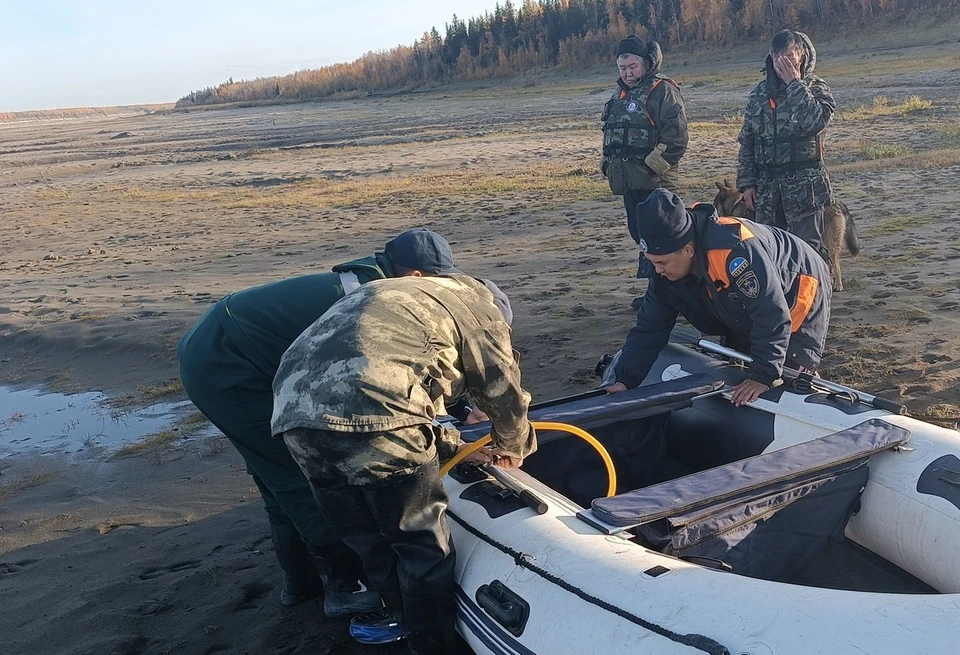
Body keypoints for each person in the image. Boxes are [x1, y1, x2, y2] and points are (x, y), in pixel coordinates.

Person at [177, 228, 485, 621]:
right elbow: (374, 384)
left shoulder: (371, 282)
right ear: (417, 277)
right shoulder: (371, 299)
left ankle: (299, 582)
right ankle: (345, 588)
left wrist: (461, 410)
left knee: (274, 477)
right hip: (231, 366)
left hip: (231, 349)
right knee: (299, 473)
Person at [272, 271, 536, 654]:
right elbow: (501, 390)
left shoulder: (396, 293)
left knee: (369, 540)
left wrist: (451, 444)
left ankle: (405, 625)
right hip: (376, 414)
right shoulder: (481, 309)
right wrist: (515, 446)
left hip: (294, 417)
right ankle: (435, 645)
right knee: (423, 550)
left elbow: (383, 374)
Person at [606, 189, 832, 407]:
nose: (656, 270)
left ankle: (823, 404)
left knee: (790, 368)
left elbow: (771, 313)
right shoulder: (663, 269)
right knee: (742, 359)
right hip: (736, 302)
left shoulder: (734, 252)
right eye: (651, 261)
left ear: (688, 250)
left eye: (662, 263)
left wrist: (763, 377)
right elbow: (649, 328)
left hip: (799, 282)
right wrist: (625, 380)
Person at [601, 34, 688, 306]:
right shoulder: (619, 94)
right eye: (623, 68)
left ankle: (677, 296)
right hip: (629, 184)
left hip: (656, 185)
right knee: (643, 239)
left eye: (633, 67)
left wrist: (652, 168)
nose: (628, 73)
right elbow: (610, 136)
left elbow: (676, 138)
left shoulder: (663, 90)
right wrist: (607, 166)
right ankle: (658, 294)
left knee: (666, 241)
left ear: (646, 63)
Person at [736, 29, 837, 255]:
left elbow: (816, 122)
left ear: (801, 55)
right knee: (769, 252)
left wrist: (794, 84)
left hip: (805, 192)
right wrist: (747, 184)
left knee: (808, 254)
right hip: (768, 193)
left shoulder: (816, 88)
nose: (782, 63)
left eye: (789, 57)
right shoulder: (759, 95)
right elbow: (747, 142)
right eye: (777, 57)